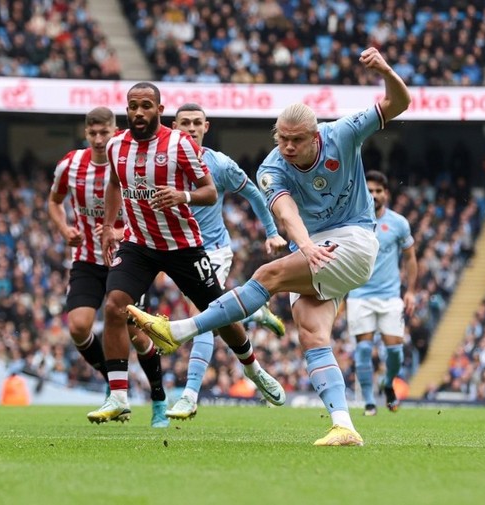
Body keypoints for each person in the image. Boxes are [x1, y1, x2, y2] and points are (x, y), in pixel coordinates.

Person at [128, 47, 412, 446]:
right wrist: (305, 245)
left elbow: (399, 102)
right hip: (319, 250)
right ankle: (344, 424)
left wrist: (385, 70)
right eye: (282, 139)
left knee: (268, 274)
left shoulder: (343, 133)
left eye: (297, 140)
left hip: (356, 240)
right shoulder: (271, 167)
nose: (288, 147)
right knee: (312, 334)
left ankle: (179, 330)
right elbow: (284, 210)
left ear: (316, 136)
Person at [88, 82, 284, 423]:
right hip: (140, 245)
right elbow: (115, 185)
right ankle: (118, 395)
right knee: (115, 305)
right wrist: (108, 226)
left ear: (159, 111)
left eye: (146, 105)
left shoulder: (179, 145)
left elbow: (209, 192)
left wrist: (184, 197)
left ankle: (253, 368)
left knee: (218, 313)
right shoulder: (117, 145)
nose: (138, 112)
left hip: (184, 247)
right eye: (133, 105)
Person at [166, 103, 289, 420]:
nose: (191, 128)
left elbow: (253, 193)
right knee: (219, 319)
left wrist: (272, 232)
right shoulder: (161, 164)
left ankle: (190, 395)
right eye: (185, 123)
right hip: (176, 253)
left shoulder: (218, 164)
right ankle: (251, 313)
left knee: (204, 316)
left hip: (213, 250)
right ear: (173, 127)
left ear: (206, 127)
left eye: (197, 123)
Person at [48, 106, 169, 427]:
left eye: (106, 132)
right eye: (94, 133)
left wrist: (118, 231)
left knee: (137, 335)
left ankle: (158, 397)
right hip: (87, 260)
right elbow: (53, 201)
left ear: (116, 130)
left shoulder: (128, 161)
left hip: (126, 257)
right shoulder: (70, 165)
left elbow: (144, 207)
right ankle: (114, 383)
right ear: (86, 133)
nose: (100, 139)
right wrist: (65, 230)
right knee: (77, 327)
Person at [347, 170, 418, 416]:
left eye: (378, 191)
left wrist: (410, 291)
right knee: (364, 349)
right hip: (359, 295)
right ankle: (368, 401)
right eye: (369, 190)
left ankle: (388, 384)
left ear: (386, 194)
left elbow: (410, 258)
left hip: (390, 297)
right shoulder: (352, 221)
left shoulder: (398, 223)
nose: (374, 195)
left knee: (395, 352)